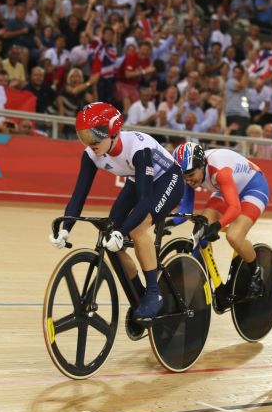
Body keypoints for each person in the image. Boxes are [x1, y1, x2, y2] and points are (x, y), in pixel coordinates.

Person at [49, 102, 184, 322]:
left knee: (138, 229)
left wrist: (124, 231)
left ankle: (154, 293)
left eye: (94, 137)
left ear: (113, 131)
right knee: (107, 235)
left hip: (168, 179)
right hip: (136, 178)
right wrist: (66, 229)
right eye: (84, 137)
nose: (90, 144)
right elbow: (79, 195)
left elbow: (146, 199)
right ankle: (138, 295)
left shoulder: (138, 148)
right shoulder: (92, 154)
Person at [171, 142, 270, 307]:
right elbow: (186, 209)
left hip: (254, 187)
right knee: (201, 227)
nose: (188, 180)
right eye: (184, 176)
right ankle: (215, 284)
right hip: (227, 188)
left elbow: (235, 208)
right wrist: (168, 223)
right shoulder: (189, 172)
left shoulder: (219, 170)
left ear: (202, 165)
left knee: (233, 235)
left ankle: (257, 273)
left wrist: (217, 226)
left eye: (190, 174)